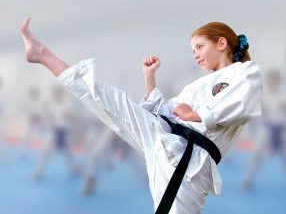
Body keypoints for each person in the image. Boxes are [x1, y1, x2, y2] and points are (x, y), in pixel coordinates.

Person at [20, 18, 262, 214]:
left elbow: (243, 105)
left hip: (190, 161)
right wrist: (150, 77)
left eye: (200, 47)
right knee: (107, 99)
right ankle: (42, 54)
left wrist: (198, 114)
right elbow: (165, 113)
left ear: (221, 43)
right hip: (166, 139)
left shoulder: (245, 72)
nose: (196, 54)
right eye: (193, 50)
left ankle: (42, 54)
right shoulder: (197, 85)